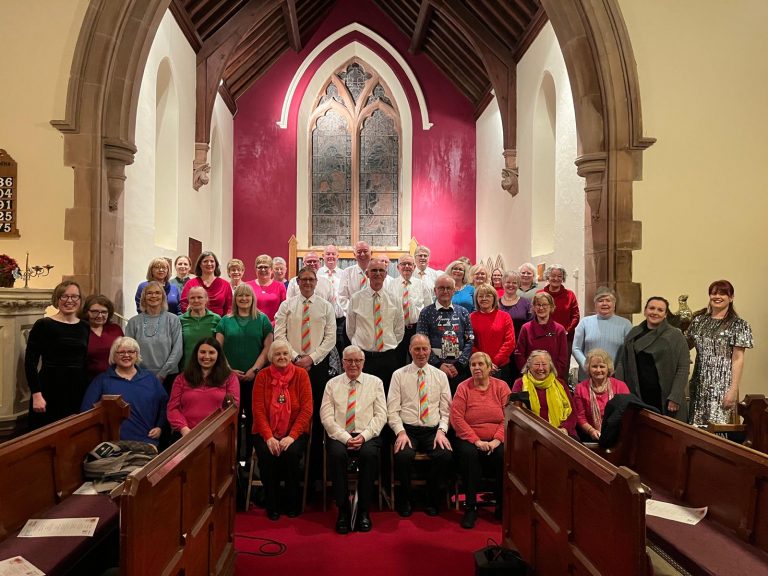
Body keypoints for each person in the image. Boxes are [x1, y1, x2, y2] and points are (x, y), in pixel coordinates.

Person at [274, 265, 336, 487]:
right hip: (291, 366)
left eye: (311, 279)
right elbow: (279, 334)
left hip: (318, 367)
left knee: (317, 418)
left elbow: (330, 338)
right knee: (291, 414)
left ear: (316, 282)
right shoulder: (287, 306)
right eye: (304, 279)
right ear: (297, 282)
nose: (308, 283)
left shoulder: (326, 307)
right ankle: (291, 470)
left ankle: (315, 475)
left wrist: (311, 358)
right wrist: (295, 357)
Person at [320, 345, 386, 533]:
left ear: (364, 362)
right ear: (342, 362)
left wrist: (364, 436)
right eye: (349, 360)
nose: (353, 364)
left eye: (357, 360)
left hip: (367, 434)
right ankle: (343, 510)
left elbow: (381, 416)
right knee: (337, 455)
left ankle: (364, 510)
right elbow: (326, 417)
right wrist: (345, 437)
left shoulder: (376, 383)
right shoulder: (331, 384)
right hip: (340, 434)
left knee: (369, 455)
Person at [388, 334, 453, 517]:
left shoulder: (440, 376)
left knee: (445, 455)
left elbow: (446, 410)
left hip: (433, 430)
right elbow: (392, 410)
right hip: (407, 430)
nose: (421, 353)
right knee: (402, 456)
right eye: (417, 349)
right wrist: (400, 432)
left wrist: (442, 431)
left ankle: (431, 498)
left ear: (430, 350)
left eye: (425, 349)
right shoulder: (398, 375)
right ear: (410, 350)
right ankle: (405, 499)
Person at [252, 340, 313, 520]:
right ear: (271, 357)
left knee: (291, 454)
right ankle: (272, 503)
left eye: (285, 353)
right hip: (266, 431)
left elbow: (307, 409)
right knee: (267, 454)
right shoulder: (262, 376)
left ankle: (292, 501)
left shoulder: (301, 375)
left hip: (294, 432)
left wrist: (292, 437)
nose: (282, 357)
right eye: (278, 354)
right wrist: (269, 437)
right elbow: (258, 410)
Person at [450, 351, 510, 528]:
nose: (476, 368)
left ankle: (501, 505)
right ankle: (470, 507)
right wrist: (476, 441)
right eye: (472, 365)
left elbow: (508, 416)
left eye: (480, 364)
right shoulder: (463, 387)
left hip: (496, 438)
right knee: (469, 455)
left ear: (490, 367)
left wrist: (496, 440)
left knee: (503, 455)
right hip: (470, 438)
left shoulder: (501, 387)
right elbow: (457, 418)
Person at [216, 283, 273, 459]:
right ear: (235, 299)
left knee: (253, 419)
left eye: (247, 296)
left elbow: (268, 347)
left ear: (253, 298)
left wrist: (254, 369)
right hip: (229, 378)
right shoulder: (225, 321)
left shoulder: (262, 319)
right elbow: (217, 348)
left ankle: (248, 459)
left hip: (255, 377)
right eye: (240, 296)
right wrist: (229, 370)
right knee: (230, 420)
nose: (243, 299)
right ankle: (230, 458)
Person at [25, 281, 90, 429]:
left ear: (80, 300)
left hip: (76, 391)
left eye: (74, 297)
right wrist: (36, 394)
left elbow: (84, 362)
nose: (70, 301)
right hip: (49, 390)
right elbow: (30, 362)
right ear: (57, 299)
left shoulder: (84, 327)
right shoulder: (43, 325)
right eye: (64, 296)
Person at [687, 280, 753, 427]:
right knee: (695, 430)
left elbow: (738, 359)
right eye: (713, 293)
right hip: (698, 384)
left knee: (717, 431)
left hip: (722, 387)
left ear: (731, 297)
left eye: (722, 293)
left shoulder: (739, 325)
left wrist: (733, 390)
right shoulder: (698, 321)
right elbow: (684, 346)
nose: (717, 296)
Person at [81, 337, 168, 447]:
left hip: (146, 442)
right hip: (112, 444)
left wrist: (159, 426)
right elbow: (86, 412)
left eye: (131, 351)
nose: (126, 355)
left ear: (136, 355)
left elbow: (165, 404)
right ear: (114, 355)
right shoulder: (102, 380)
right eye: (121, 352)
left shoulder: (150, 378)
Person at [615, 296, 689, 421]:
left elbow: (683, 367)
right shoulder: (634, 333)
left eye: (660, 310)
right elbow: (622, 363)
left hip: (665, 397)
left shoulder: (675, 335)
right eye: (651, 308)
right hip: (638, 396)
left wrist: (675, 396)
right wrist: (620, 392)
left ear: (665, 314)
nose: (655, 312)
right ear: (645, 311)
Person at [346, 258, 404, 393]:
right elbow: (350, 329)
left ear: (385, 274)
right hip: (364, 358)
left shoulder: (394, 299)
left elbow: (399, 329)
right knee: (363, 395)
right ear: (367, 274)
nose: (377, 273)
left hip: (388, 357)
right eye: (373, 270)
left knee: (387, 395)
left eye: (381, 270)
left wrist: (390, 344)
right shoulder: (356, 298)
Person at [167, 337, 239, 436]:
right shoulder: (181, 378)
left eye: (211, 352)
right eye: (202, 352)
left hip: (218, 435)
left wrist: (215, 430)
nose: (207, 356)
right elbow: (173, 408)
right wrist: (184, 429)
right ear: (196, 354)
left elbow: (233, 407)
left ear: (218, 355)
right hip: (186, 434)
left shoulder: (230, 378)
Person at [416, 274, 474, 392]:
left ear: (454, 291)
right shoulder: (426, 312)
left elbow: (470, 340)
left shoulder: (463, 312)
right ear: (435, 290)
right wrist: (438, 365)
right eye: (441, 288)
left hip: (459, 370)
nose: (445, 291)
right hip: (433, 369)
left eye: (448, 288)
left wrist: (459, 365)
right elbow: (421, 341)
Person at [125, 281, 183, 389]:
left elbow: (177, 350)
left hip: (168, 377)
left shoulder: (173, 320)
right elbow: (128, 350)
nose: (153, 296)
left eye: (157, 293)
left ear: (163, 297)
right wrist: (139, 373)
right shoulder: (133, 322)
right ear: (143, 297)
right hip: (139, 376)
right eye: (149, 293)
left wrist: (162, 374)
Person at [512, 350, 577, 437]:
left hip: (562, 433)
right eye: (537, 364)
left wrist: (564, 428)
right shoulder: (520, 384)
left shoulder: (561, 384)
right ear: (529, 366)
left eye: (544, 364)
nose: (541, 368)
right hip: (530, 434)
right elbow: (515, 412)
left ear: (550, 366)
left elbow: (572, 413)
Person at [572, 287, 632, 381]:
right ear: (595, 304)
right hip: (588, 376)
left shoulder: (625, 324)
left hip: (615, 377)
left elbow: (629, 352)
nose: (604, 303)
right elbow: (576, 348)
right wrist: (587, 366)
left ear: (614, 303)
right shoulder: (585, 323)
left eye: (608, 300)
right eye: (600, 300)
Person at [573, 348, 630, 440]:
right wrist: (591, 431)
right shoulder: (580, 388)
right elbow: (580, 417)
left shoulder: (621, 386)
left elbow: (627, 414)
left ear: (608, 368)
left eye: (602, 366)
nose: (598, 370)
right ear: (588, 368)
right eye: (594, 366)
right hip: (589, 435)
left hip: (617, 435)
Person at [389, 254, 432, 366]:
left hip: (417, 328)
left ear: (414, 267)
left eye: (410, 264)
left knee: (418, 361)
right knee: (398, 361)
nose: (407, 266)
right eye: (403, 264)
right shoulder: (390, 285)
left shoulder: (421, 285)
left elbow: (429, 308)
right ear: (398, 267)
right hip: (397, 330)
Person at [470, 284, 516, 386]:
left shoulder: (505, 316)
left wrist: (493, 362)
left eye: (488, 295)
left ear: (494, 298)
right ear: (476, 299)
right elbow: (470, 343)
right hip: (479, 367)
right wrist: (484, 362)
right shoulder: (471, 317)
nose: (484, 298)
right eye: (481, 296)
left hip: (501, 367)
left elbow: (510, 342)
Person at [515, 292, 569, 378]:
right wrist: (529, 373)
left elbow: (563, 358)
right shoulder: (526, 328)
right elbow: (519, 354)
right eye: (538, 305)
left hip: (553, 377)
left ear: (551, 307)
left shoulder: (559, 329)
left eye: (545, 305)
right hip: (529, 377)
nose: (541, 308)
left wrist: (552, 375)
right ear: (533, 307)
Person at [537, 265, 580, 357]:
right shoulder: (540, 294)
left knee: (562, 367)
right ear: (548, 277)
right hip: (543, 337)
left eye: (559, 276)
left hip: (565, 338)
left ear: (563, 278)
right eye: (553, 275)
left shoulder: (570, 295)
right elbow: (535, 314)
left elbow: (575, 316)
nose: (556, 278)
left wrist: (567, 331)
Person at [80, 294, 124, 382]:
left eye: (104, 312)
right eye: (95, 312)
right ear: (86, 312)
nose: (100, 316)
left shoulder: (116, 329)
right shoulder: (80, 330)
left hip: (115, 379)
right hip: (87, 381)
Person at [179, 285, 221, 370]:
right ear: (188, 300)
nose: (196, 300)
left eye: (200, 297)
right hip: (186, 369)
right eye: (192, 298)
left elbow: (220, 347)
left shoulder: (216, 319)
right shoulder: (180, 320)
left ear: (206, 299)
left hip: (211, 369)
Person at [180, 251, 233, 316]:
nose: (209, 263)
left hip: (219, 323)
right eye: (205, 261)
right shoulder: (190, 283)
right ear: (200, 264)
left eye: (212, 261)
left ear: (216, 264)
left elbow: (229, 308)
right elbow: (184, 304)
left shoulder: (225, 285)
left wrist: (223, 322)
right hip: (196, 322)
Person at [317, 244, 347, 356]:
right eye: (328, 254)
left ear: (338, 256)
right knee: (324, 350)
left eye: (333, 254)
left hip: (340, 319)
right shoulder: (317, 274)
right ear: (323, 256)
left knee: (340, 350)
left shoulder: (344, 274)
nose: (330, 256)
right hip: (322, 319)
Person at [247, 254, 287, 323]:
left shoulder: (280, 286)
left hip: (274, 327)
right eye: (260, 267)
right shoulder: (247, 286)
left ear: (271, 269)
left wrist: (271, 326)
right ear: (255, 269)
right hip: (251, 326)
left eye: (266, 267)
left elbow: (284, 310)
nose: (263, 269)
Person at [338, 240, 372, 315]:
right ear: (354, 255)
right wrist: (354, 311)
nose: (362, 254)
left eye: (365, 251)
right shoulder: (347, 272)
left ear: (371, 253)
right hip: (352, 316)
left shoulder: (377, 272)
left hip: (372, 316)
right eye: (359, 252)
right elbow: (342, 297)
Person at [498, 270, 533, 339]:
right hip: (500, 344)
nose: (511, 285)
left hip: (521, 342)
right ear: (503, 284)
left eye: (514, 283)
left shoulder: (526, 303)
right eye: (508, 282)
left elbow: (531, 326)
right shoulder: (495, 303)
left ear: (518, 285)